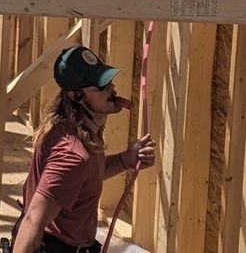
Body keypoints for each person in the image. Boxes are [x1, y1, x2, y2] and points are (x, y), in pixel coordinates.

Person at [8, 44, 156, 253]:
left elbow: (80, 180)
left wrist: (125, 160)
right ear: (75, 96)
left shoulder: (72, 130)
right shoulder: (72, 154)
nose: (111, 89)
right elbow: (34, 220)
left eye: (108, 81)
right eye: (101, 86)